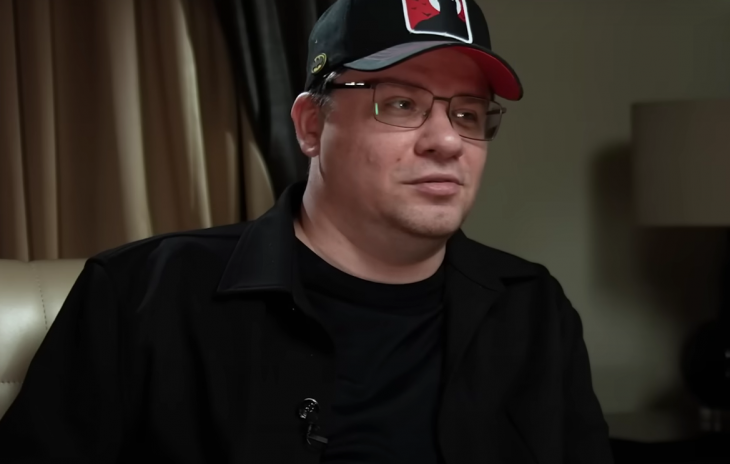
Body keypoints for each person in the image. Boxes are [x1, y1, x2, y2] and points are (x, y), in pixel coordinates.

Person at [0, 0, 614, 462]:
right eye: (401, 103)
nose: (448, 141)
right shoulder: (141, 295)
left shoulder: (534, 310)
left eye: (468, 114)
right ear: (311, 126)